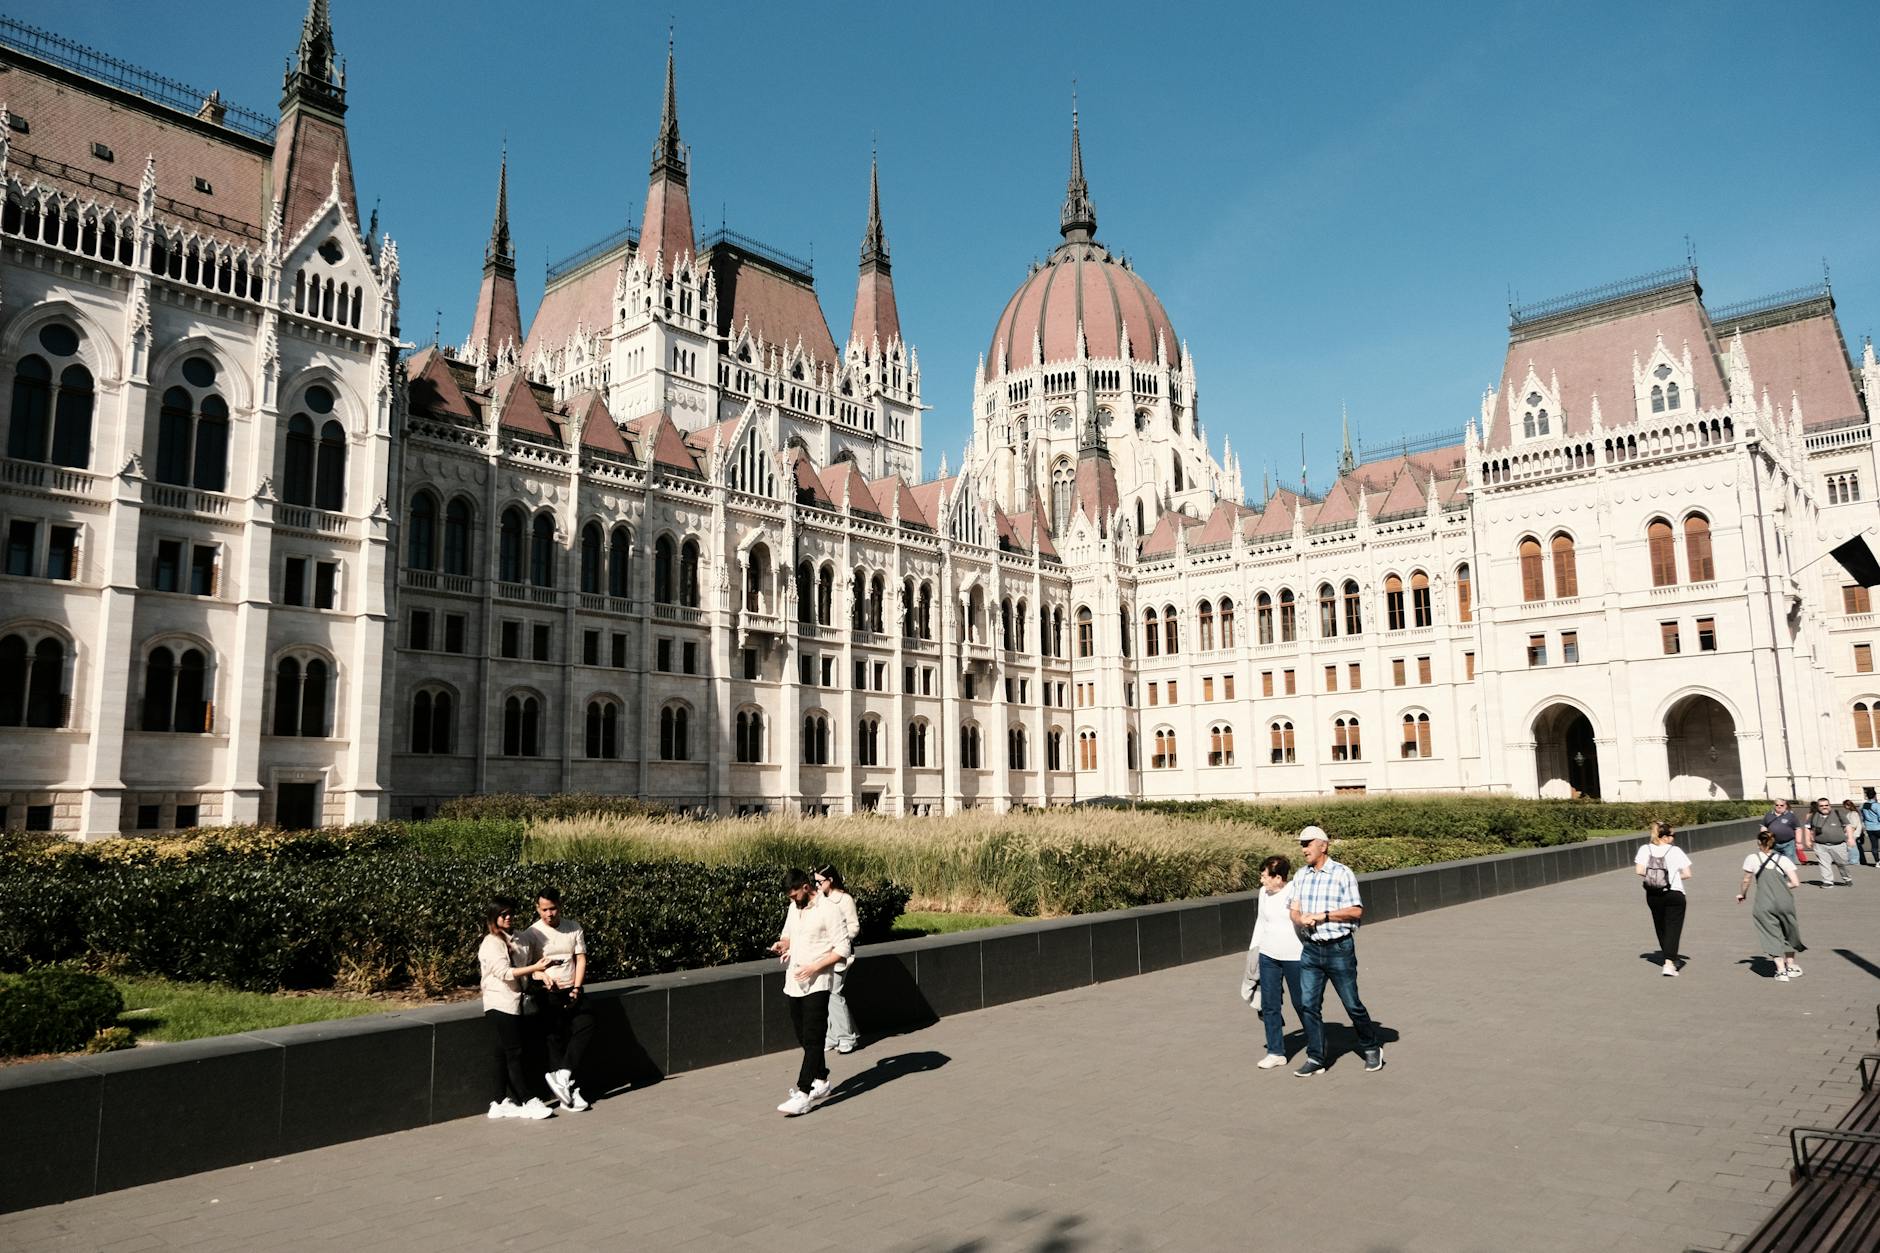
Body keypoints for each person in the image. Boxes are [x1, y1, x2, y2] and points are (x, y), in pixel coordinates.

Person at [1288, 826, 1383, 1076]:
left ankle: (1372, 1047)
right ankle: (1316, 1057)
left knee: (1352, 1005)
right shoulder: (1301, 875)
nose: (1303, 848)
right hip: (1311, 949)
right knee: (1308, 1005)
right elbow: (1293, 910)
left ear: (1324, 845)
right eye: (1301, 844)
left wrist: (1325, 916)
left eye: (1308, 843)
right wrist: (1300, 920)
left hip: (1339, 949)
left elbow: (1356, 910)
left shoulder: (1342, 873)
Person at [768, 868, 851, 1115]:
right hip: (794, 981)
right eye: (790, 898)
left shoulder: (829, 910)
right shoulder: (795, 908)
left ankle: (803, 1093)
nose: (793, 901)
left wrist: (815, 967)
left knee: (814, 1036)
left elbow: (843, 948)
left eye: (795, 895)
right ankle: (822, 1080)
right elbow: (789, 934)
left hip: (818, 982)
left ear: (807, 887)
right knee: (803, 1036)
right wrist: (783, 944)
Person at [478, 896, 556, 1120]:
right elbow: (503, 972)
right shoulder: (491, 942)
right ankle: (527, 1100)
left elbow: (527, 969)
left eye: (511, 912)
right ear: (494, 917)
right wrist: (535, 967)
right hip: (498, 1002)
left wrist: (539, 972)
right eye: (503, 914)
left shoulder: (521, 938)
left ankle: (498, 1101)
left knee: (502, 1053)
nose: (509, 917)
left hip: (516, 1003)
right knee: (514, 1052)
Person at [522, 886, 594, 1111]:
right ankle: (568, 1094)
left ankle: (565, 1077)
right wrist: (541, 975)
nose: (549, 914)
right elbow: (528, 968)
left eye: (553, 909)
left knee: (586, 1023)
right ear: (537, 908)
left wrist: (576, 987)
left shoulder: (573, 927)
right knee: (554, 1038)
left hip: (571, 989)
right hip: (547, 993)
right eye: (544, 909)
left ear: (560, 906)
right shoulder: (531, 933)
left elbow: (580, 959)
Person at [1241, 854, 1303, 1069]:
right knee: (1269, 1004)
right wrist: (1253, 951)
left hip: (1294, 956)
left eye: (1265, 876)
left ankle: (1317, 1045)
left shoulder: (1295, 890)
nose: (1262, 880)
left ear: (1279, 878)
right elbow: (1261, 921)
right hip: (1268, 955)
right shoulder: (1263, 893)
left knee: (1302, 1003)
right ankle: (1276, 1051)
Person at [1738, 832, 1805, 980]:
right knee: (1789, 931)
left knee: (1770, 933)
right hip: (1785, 901)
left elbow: (1746, 880)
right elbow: (1795, 883)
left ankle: (1781, 970)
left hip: (1764, 901)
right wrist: (1781, 887)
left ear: (1758, 842)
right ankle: (1791, 966)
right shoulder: (1784, 859)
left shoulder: (1752, 858)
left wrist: (1742, 894)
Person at [1633, 821, 1693, 975]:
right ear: (1665, 837)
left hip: (1653, 894)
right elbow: (1687, 874)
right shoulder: (1676, 851)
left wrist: (1655, 877)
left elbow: (1639, 870)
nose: (1674, 838)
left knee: (1661, 926)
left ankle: (1670, 957)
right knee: (1674, 927)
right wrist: (1672, 877)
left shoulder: (1644, 849)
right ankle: (1669, 963)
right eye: (1673, 835)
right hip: (1674, 893)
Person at [816, 866, 863, 1055]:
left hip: (840, 953)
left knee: (835, 993)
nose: (817, 885)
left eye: (820, 881)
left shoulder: (844, 900)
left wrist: (838, 938)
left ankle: (846, 1037)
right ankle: (833, 1036)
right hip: (823, 954)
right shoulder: (820, 899)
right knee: (826, 994)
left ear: (830, 880)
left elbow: (854, 927)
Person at [1805, 797, 1854, 888]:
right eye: (1821, 806)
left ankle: (1847, 878)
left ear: (1829, 805)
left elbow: (1848, 825)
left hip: (1838, 845)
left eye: (1826, 805)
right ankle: (1828, 881)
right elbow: (1807, 828)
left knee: (1842, 863)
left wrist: (1850, 838)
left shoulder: (1837, 813)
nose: (1824, 807)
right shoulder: (1813, 816)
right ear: (1818, 807)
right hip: (1820, 845)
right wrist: (1807, 840)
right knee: (1824, 864)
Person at [1759, 798, 1802, 867]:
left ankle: (1788, 877)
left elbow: (1798, 829)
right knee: (1775, 863)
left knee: (1789, 863)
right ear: (1774, 805)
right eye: (1777, 805)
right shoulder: (1768, 815)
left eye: (1781, 805)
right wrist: (1763, 840)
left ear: (1785, 806)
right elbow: (1764, 827)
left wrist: (1798, 842)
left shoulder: (1791, 816)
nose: (1779, 807)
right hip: (1773, 844)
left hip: (1788, 844)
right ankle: (1779, 877)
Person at [1861, 787, 1880, 868]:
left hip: (1869, 828)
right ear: (1875, 796)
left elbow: (1862, 817)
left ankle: (1877, 862)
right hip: (1878, 827)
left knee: (1874, 846)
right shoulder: (1876, 805)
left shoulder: (1863, 805)